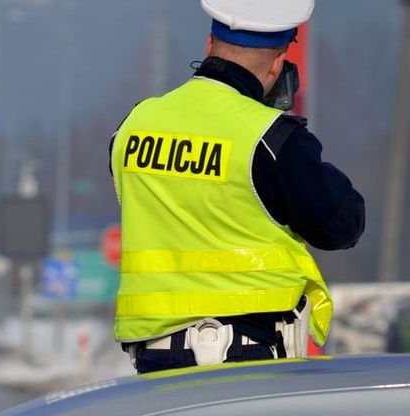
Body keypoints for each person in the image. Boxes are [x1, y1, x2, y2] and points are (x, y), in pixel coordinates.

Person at [110, 0, 364, 374]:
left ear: (209, 44)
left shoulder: (134, 125)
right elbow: (341, 225)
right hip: (245, 359)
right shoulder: (273, 139)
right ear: (277, 65)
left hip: (153, 362)